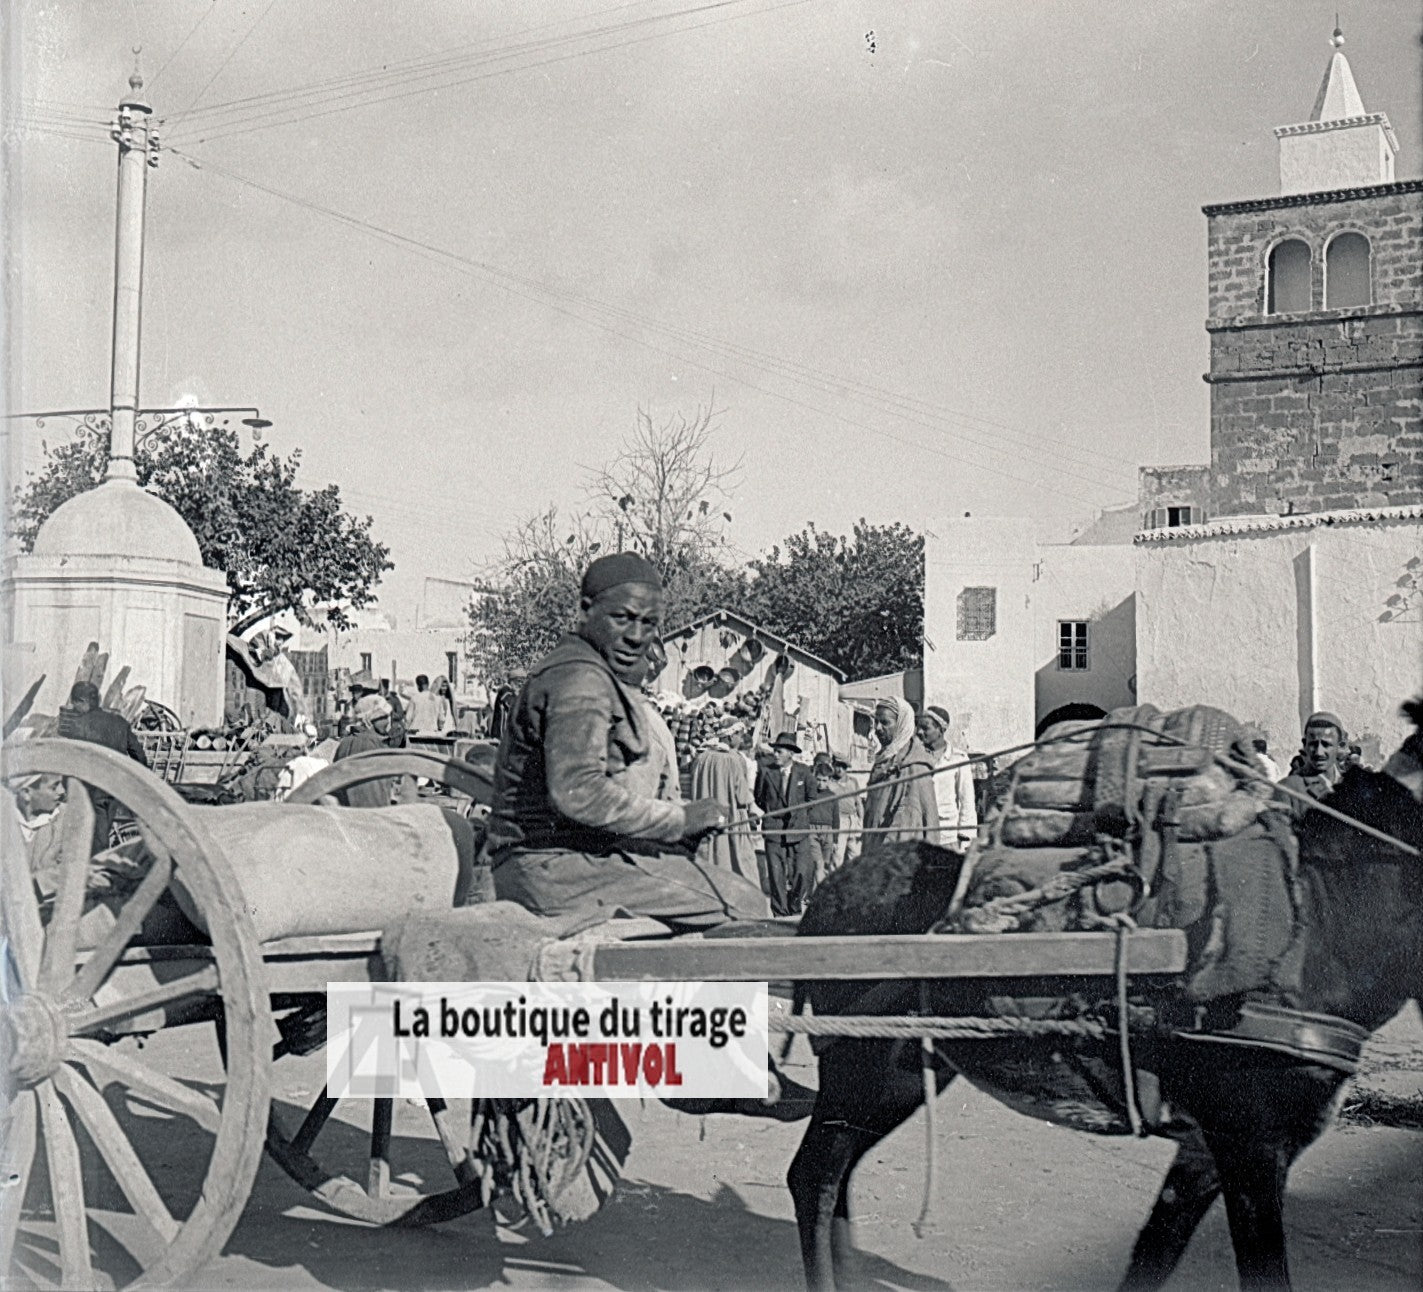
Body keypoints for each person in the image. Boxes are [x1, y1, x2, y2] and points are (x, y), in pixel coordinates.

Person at [485, 552, 767, 931]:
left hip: (564, 859)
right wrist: (679, 820)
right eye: (623, 618)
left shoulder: (586, 670)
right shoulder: (580, 682)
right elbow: (579, 793)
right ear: (586, 611)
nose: (636, 636)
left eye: (649, 624)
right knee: (742, 902)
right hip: (551, 868)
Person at [59, 681, 149, 852]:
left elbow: (70, 759)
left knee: (86, 840)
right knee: (102, 833)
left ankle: (93, 872)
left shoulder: (75, 725)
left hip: (86, 789)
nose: (73, 707)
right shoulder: (120, 722)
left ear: (83, 702)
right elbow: (139, 756)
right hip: (112, 788)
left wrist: (66, 786)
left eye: (75, 703)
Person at [688, 722, 767, 910]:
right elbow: (741, 794)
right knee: (739, 861)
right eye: (740, 735)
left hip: (705, 819)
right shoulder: (733, 759)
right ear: (731, 736)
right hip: (731, 819)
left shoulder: (700, 757)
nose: (741, 739)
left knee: (710, 858)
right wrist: (755, 809)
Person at [861, 698, 939, 852]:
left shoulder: (915, 766)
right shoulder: (884, 759)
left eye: (885, 722)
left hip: (896, 854)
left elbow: (907, 820)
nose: (877, 728)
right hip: (875, 846)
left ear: (902, 725)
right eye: (875, 722)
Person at [754, 732, 817, 916]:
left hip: (798, 831)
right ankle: (780, 914)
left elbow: (812, 799)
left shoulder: (804, 772)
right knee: (776, 875)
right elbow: (759, 798)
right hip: (774, 831)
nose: (775, 755)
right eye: (775, 751)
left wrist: (799, 816)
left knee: (801, 874)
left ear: (790, 753)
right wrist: (773, 813)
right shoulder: (767, 772)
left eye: (779, 752)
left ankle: (795, 907)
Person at [915, 704, 978, 850]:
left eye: (926, 728)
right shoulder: (915, 757)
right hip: (919, 835)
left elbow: (966, 802)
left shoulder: (958, 759)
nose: (919, 732)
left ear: (941, 730)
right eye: (918, 727)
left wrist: (966, 839)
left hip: (947, 837)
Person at [1278, 711, 1349, 821]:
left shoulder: (1352, 786)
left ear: (1340, 746)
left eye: (1326, 744)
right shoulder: (1287, 789)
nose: (1319, 752)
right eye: (1313, 744)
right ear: (1304, 744)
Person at [333, 694, 396, 807]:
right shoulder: (368, 744)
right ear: (368, 720)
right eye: (383, 717)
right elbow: (372, 793)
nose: (388, 721)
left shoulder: (346, 741)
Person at [805, 756, 841, 887]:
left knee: (825, 865)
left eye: (824, 780)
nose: (821, 783)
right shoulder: (810, 794)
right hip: (812, 831)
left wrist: (836, 840)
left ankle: (814, 893)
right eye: (818, 780)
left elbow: (836, 819)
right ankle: (818, 894)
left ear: (829, 780)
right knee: (817, 864)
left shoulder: (832, 796)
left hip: (828, 832)